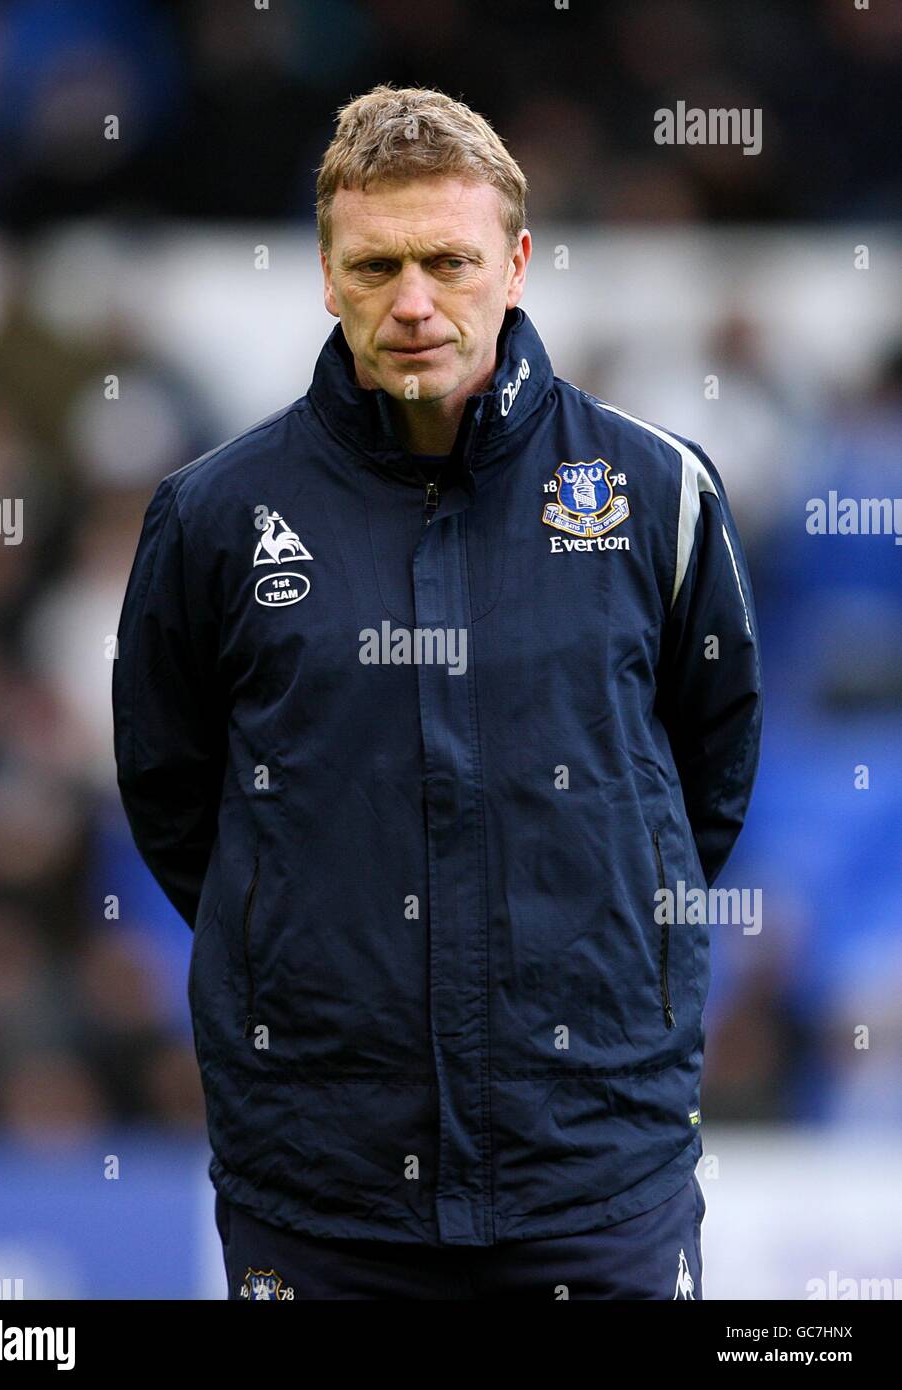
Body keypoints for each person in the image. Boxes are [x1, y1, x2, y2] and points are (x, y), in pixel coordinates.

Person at [112, 83, 762, 1300]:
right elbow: (176, 792)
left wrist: (609, 947)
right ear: (324, 275)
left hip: (594, 1169)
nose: (413, 302)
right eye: (377, 267)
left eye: (449, 261)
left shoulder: (658, 493)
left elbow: (704, 775)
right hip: (320, 1184)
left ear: (516, 263)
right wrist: (310, 951)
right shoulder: (212, 516)